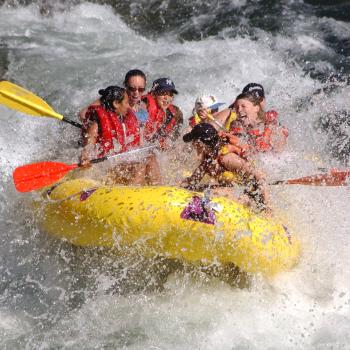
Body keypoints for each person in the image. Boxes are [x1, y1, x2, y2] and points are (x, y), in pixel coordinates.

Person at [181, 123, 269, 212]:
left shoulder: (227, 158)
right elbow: (192, 181)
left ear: (201, 144)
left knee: (213, 192)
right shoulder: (209, 159)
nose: (192, 145)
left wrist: (266, 206)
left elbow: (260, 176)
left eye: (194, 142)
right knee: (201, 189)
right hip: (231, 191)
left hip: (246, 196)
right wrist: (182, 185)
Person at [80, 85, 145, 185]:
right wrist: (85, 158)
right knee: (139, 165)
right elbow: (88, 147)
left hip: (119, 166)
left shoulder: (122, 118)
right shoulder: (96, 123)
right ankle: (131, 196)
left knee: (150, 158)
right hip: (104, 170)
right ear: (116, 104)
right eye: (126, 103)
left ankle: (159, 191)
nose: (128, 106)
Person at [79, 69, 148, 125]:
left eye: (141, 89)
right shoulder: (116, 98)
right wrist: (94, 126)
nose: (136, 93)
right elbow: (82, 113)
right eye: (132, 89)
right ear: (125, 85)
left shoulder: (143, 106)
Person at [143, 78, 183, 148]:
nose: (166, 98)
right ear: (153, 95)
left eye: (170, 94)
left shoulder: (176, 114)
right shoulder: (144, 107)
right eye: (163, 93)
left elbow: (174, 138)